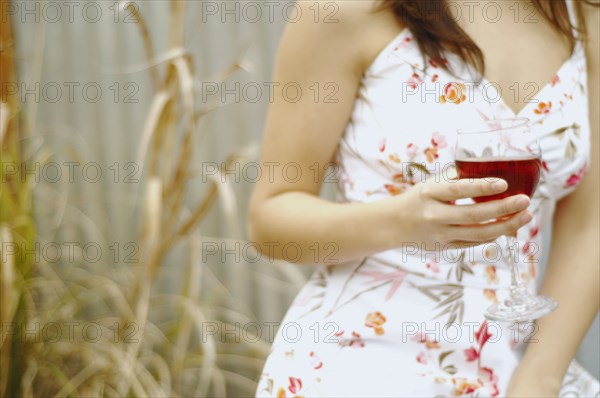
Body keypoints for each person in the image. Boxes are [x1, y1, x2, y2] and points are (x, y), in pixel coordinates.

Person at [248, 0, 599, 396]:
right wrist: (401, 222)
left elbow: (591, 221)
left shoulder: (581, 14)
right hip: (361, 362)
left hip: (517, 368)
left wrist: (540, 378)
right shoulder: (343, 11)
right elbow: (270, 219)